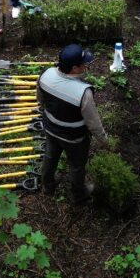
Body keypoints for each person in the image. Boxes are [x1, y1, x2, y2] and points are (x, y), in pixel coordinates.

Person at [37, 44, 108, 203]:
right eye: (83, 63)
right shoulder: (83, 93)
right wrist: (104, 140)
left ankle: (47, 185)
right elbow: (93, 123)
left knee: (50, 156)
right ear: (75, 68)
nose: (86, 66)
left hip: (50, 129)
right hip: (74, 138)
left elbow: (40, 100)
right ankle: (78, 194)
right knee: (76, 165)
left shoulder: (46, 75)